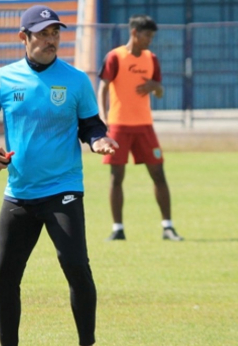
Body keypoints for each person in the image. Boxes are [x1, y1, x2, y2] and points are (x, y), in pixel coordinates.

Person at [0, 5, 118, 346]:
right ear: (24, 37)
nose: (52, 40)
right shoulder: (3, 79)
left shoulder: (76, 80)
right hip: (19, 192)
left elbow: (91, 125)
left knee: (75, 266)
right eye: (43, 34)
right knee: (5, 275)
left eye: (56, 33)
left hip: (63, 189)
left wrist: (98, 141)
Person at [97, 15, 183, 242]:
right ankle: (118, 228)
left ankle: (168, 227)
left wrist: (156, 86)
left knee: (159, 174)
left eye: (152, 36)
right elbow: (103, 87)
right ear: (134, 33)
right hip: (118, 126)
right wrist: (103, 118)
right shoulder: (115, 57)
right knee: (116, 177)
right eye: (147, 35)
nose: (150, 41)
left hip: (145, 126)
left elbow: (160, 92)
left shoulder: (151, 58)